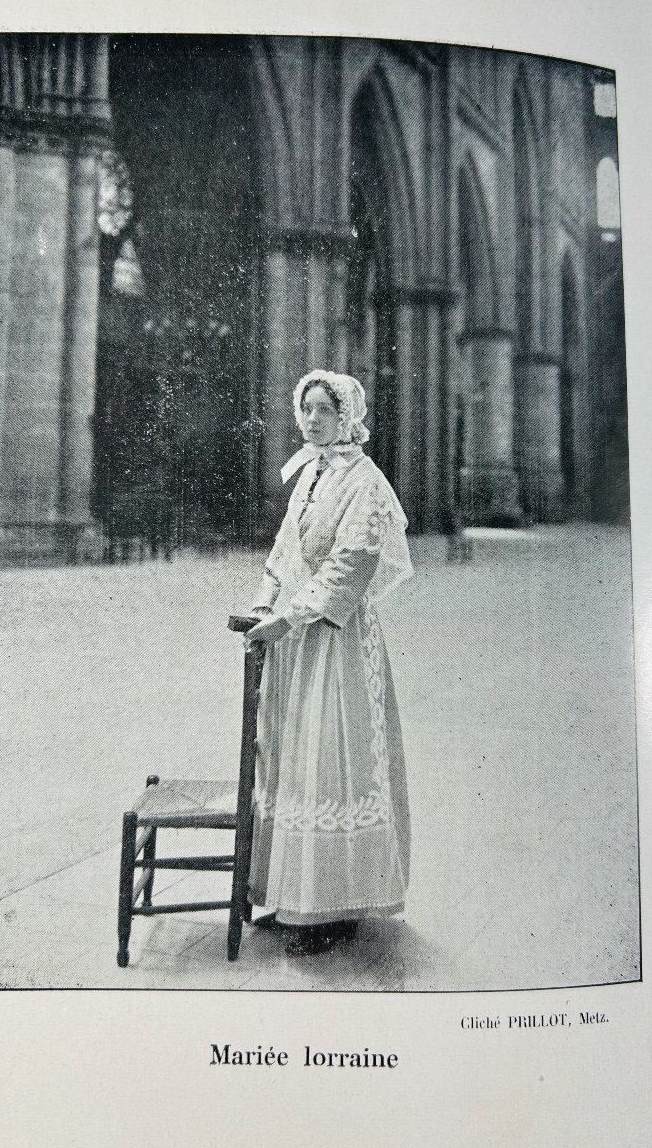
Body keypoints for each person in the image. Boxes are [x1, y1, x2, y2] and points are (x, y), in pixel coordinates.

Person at [245, 370, 414, 955]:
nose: (312, 420)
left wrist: (290, 616)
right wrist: (266, 599)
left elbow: (349, 567)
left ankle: (335, 908)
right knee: (294, 760)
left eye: (323, 411)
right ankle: (294, 897)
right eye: (306, 409)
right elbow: (284, 550)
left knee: (330, 759)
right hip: (296, 638)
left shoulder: (366, 483)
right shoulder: (310, 474)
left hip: (334, 641)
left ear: (347, 417)